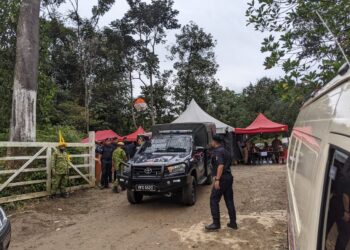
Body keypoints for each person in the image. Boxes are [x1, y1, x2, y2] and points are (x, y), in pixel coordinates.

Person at [205, 135, 238, 231]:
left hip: (222, 179)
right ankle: (233, 222)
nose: (211, 143)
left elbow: (220, 165)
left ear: (215, 142)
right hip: (228, 177)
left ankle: (216, 223)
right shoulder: (225, 150)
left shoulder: (218, 152)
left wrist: (217, 180)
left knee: (214, 199)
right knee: (229, 200)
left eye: (212, 141)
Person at [326, 158, 350, 249]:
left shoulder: (345, 163)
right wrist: (346, 211)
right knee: (345, 234)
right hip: (343, 206)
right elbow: (345, 194)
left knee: (327, 225)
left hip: (335, 200)